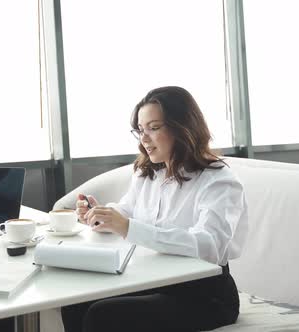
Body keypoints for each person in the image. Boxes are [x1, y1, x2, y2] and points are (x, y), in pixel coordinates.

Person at [62, 86, 248, 332]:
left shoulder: (219, 180)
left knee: (102, 315)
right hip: (154, 279)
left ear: (183, 127)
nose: (144, 139)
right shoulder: (148, 172)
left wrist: (127, 227)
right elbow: (128, 210)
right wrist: (101, 215)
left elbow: (209, 246)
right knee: (74, 302)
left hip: (204, 294)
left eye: (154, 128)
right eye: (140, 130)